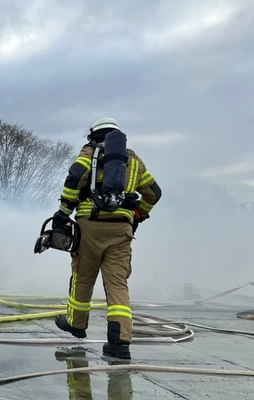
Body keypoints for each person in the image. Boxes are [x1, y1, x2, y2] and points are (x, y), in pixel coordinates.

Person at [53, 117, 162, 359]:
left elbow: (75, 177)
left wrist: (63, 212)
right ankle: (120, 342)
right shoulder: (133, 160)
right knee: (117, 284)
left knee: (83, 276)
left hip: (89, 227)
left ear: (94, 135)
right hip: (121, 231)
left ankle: (77, 324)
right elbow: (154, 193)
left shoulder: (90, 152)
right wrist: (137, 215)